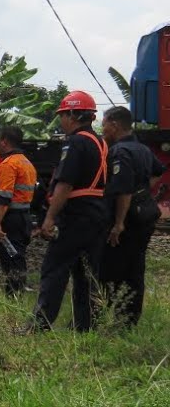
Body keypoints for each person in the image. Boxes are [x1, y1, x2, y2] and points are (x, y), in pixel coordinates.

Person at [30, 91, 108, 332]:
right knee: (86, 274)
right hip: (97, 215)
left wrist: (50, 218)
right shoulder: (100, 143)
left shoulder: (75, 142)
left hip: (75, 215)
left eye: (63, 115)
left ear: (73, 115)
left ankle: (39, 325)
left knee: (55, 268)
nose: (61, 120)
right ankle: (84, 326)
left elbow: (65, 183)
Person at [99, 106, 164, 327]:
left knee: (110, 267)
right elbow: (158, 171)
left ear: (114, 125)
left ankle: (97, 316)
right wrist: (143, 191)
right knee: (135, 268)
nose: (102, 129)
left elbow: (124, 190)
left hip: (128, 219)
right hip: (145, 215)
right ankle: (129, 320)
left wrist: (118, 224)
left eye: (104, 124)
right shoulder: (143, 148)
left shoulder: (120, 152)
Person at [0, 126, 36, 296]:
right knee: (17, 256)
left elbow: (4, 196)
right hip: (23, 217)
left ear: (4, 142)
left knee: (10, 258)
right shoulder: (26, 162)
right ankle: (18, 292)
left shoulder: (9, 164)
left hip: (10, 219)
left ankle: (13, 295)